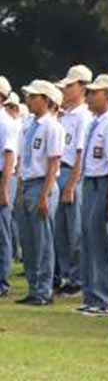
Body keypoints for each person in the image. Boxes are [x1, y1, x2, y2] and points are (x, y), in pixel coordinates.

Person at [76, 74, 108, 316]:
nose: (89, 96)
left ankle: (104, 299)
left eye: (94, 93)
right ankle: (91, 294)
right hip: (91, 181)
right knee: (89, 240)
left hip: (104, 182)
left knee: (103, 242)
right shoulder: (94, 122)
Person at [16, 80, 65, 306]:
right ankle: (33, 286)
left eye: (34, 97)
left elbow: (54, 163)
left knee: (43, 240)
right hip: (27, 183)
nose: (29, 100)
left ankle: (44, 290)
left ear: (46, 100)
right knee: (28, 241)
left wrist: (45, 195)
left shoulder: (52, 127)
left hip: (41, 184)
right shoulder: (28, 125)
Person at [53, 64, 93, 296]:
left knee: (76, 230)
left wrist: (71, 184)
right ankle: (67, 275)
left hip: (73, 174)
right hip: (60, 170)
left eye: (70, 86)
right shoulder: (65, 116)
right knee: (61, 230)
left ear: (82, 87)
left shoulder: (83, 117)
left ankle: (78, 278)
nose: (66, 90)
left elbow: (80, 152)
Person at [0, 77, 16, 298]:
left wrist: (4, 188)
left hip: (1, 176)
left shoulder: (5, 122)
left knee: (2, 232)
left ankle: (2, 280)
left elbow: (10, 156)